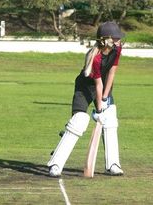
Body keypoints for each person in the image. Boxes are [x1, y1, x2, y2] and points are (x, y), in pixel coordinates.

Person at [47, 21, 125, 177]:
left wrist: (104, 100)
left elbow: (111, 74)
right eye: (116, 38)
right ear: (106, 40)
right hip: (85, 87)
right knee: (80, 120)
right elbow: (97, 84)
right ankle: (55, 164)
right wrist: (98, 107)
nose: (119, 41)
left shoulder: (117, 50)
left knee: (110, 116)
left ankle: (113, 164)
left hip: (104, 86)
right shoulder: (95, 58)